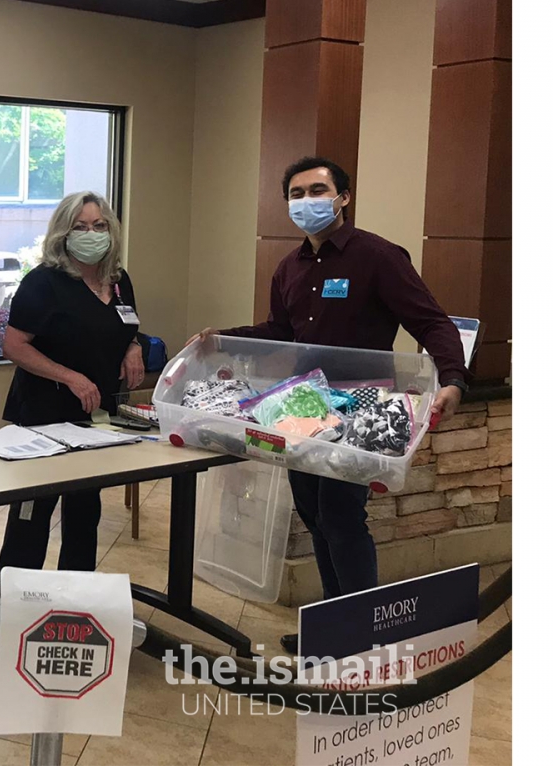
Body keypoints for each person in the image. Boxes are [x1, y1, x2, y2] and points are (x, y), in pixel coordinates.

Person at [188, 156, 468, 654]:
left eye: (317, 190)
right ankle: (331, 628)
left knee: (342, 517)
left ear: (343, 197)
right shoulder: (290, 267)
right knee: (314, 515)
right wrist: (222, 338)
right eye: (296, 194)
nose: (306, 201)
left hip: (360, 407)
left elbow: (432, 322)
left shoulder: (378, 256)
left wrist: (452, 378)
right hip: (303, 407)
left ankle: (358, 637)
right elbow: (279, 331)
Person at [0, 192, 146, 576]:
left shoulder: (118, 280)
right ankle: (18, 594)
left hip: (96, 418)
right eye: (80, 226)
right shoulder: (43, 282)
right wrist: (70, 377)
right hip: (44, 414)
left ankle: (75, 592)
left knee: (84, 507)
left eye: (99, 226)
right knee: (34, 510)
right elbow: (14, 345)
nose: (91, 233)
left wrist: (133, 347)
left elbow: (125, 326)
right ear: (63, 233)